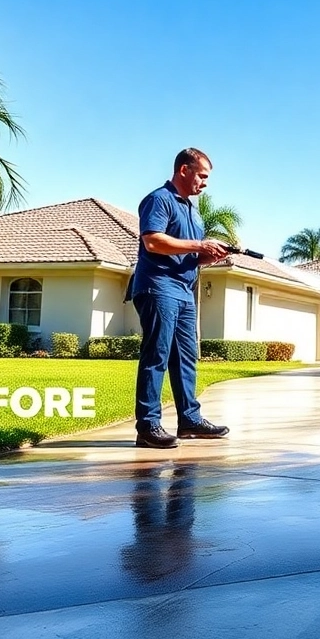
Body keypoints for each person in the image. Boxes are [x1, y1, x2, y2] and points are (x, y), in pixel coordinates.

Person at [125, 148, 232, 449]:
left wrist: (208, 256)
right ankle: (148, 427)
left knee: (186, 357)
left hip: (184, 291)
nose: (205, 183)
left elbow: (187, 255)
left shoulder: (193, 211)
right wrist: (199, 245)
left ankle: (189, 420)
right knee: (156, 356)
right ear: (184, 170)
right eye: (202, 176)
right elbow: (153, 241)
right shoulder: (159, 199)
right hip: (158, 287)